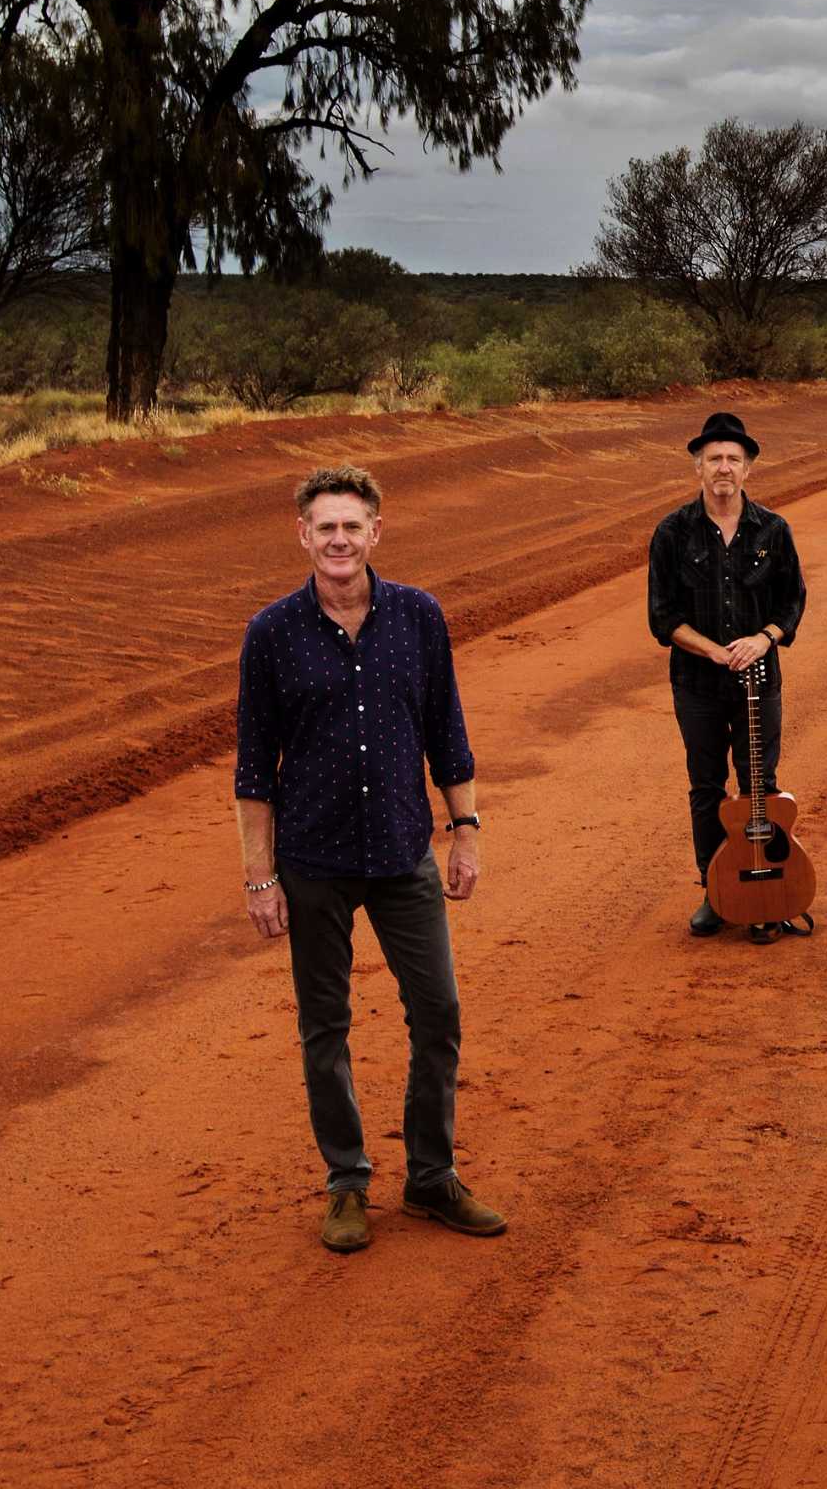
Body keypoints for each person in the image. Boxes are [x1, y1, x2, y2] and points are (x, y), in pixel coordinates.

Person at [234, 464, 505, 1253]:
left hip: (400, 850)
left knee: (438, 1012)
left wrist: (466, 830)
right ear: (303, 535)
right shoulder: (271, 633)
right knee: (325, 1027)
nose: (340, 540)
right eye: (326, 527)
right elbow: (254, 769)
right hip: (312, 859)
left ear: (376, 532)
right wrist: (260, 876)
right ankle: (347, 1183)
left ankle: (431, 1177)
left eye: (353, 526)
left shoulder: (418, 616)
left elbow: (447, 731)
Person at [647, 411, 809, 942]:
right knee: (707, 787)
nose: (723, 467)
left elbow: (792, 601)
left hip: (760, 683)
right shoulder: (672, 533)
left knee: (760, 786)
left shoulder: (773, 530)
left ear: (748, 469)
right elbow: (662, 617)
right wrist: (714, 652)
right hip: (697, 685)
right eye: (714, 458)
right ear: (698, 467)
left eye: (733, 459)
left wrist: (764, 638)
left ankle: (767, 896)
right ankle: (715, 890)